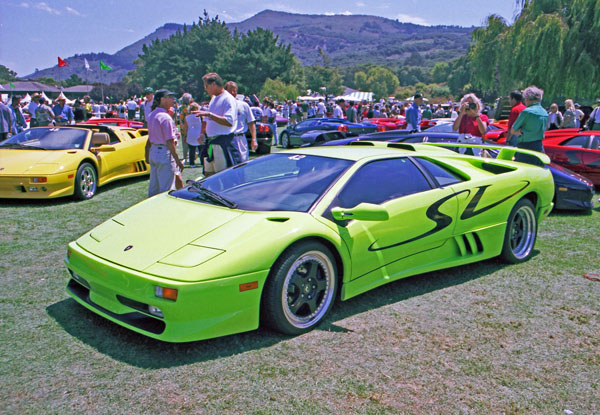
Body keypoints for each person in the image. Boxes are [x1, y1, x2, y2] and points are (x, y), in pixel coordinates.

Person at [192, 73, 238, 176]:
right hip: (211, 143)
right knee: (209, 176)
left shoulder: (227, 98)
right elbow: (209, 120)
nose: (205, 89)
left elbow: (229, 121)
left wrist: (209, 114)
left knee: (224, 177)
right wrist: (202, 133)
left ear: (213, 84)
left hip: (222, 143)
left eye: (206, 86)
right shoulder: (214, 98)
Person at [145, 89, 184, 197]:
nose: (173, 100)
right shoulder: (165, 117)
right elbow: (169, 141)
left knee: (154, 187)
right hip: (164, 153)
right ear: (162, 99)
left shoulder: (152, 115)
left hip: (154, 151)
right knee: (166, 189)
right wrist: (177, 160)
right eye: (170, 97)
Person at [510, 85, 548, 163]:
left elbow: (513, 130)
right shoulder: (545, 113)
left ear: (527, 98)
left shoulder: (526, 112)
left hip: (525, 148)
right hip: (539, 147)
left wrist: (519, 132)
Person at [224, 81, 257, 161]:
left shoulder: (244, 105)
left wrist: (254, 139)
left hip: (240, 138)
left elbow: (251, 123)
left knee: (243, 162)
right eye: (230, 91)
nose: (232, 93)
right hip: (227, 138)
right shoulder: (222, 105)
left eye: (234, 90)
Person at [182, 102, 204, 167]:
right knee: (201, 150)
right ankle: (203, 162)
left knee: (191, 150)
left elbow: (185, 128)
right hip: (199, 133)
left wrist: (185, 136)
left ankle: (192, 163)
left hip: (191, 134)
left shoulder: (187, 117)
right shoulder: (201, 117)